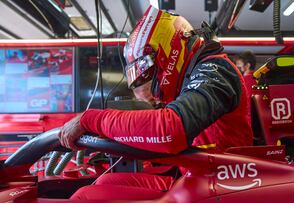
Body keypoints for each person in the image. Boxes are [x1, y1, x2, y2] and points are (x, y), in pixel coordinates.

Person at [59, 5, 253, 200]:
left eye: (152, 75)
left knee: (85, 197)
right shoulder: (197, 74)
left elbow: (170, 130)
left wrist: (90, 119)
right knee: (104, 182)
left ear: (169, 53)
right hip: (196, 179)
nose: (156, 93)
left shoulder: (216, 68)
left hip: (220, 187)